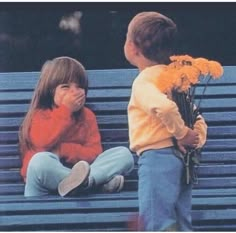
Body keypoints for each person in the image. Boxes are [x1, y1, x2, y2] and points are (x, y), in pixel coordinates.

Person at [124, 12, 207, 231]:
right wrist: (192, 140)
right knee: (181, 221)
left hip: (156, 159)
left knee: (156, 222)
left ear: (132, 47)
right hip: (182, 160)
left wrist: (181, 134)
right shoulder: (174, 79)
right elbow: (197, 119)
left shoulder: (143, 82)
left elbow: (165, 107)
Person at [19, 56, 134, 197]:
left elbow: (94, 153)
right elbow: (43, 142)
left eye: (79, 86)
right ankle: (92, 185)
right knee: (39, 161)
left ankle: (85, 182)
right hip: (44, 188)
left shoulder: (87, 116)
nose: (74, 92)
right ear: (50, 91)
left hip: (83, 174)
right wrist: (65, 110)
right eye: (65, 87)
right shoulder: (40, 114)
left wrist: (63, 149)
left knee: (124, 155)